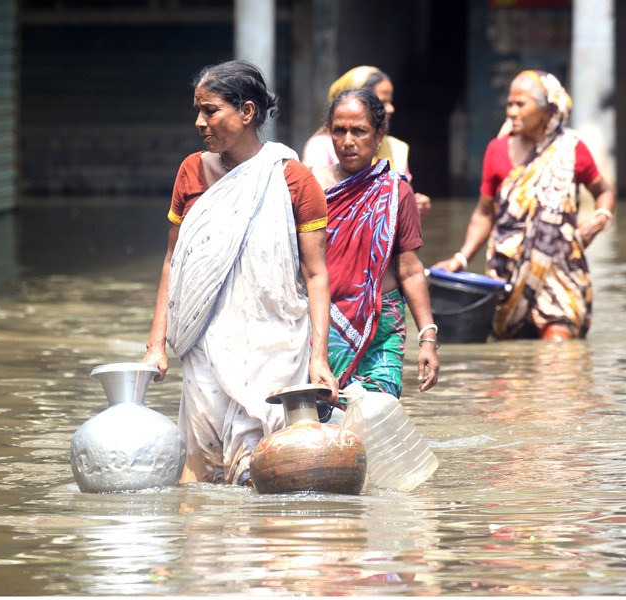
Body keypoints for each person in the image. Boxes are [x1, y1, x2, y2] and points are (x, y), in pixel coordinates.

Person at [141, 60, 338, 486]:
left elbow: (317, 274)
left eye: (210, 111)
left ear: (247, 112)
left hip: (275, 346)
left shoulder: (294, 179)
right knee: (204, 471)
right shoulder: (191, 173)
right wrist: (156, 343)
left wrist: (319, 358)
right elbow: (172, 260)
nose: (199, 122)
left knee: (260, 468)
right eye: (198, 111)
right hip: (205, 347)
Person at [433, 70, 616, 341]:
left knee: (557, 347)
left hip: (560, 272)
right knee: (511, 359)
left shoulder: (570, 149)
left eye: (521, 104)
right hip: (508, 274)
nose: (512, 111)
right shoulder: (496, 150)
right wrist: (462, 257)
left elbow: (603, 191)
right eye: (510, 104)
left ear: (546, 111)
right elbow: (485, 212)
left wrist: (600, 217)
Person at [310, 87, 439, 401]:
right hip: (323, 327)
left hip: (381, 331)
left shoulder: (396, 192)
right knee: (323, 426)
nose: (348, 141)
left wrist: (428, 337)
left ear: (379, 134)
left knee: (376, 415)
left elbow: (409, 270)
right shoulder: (309, 188)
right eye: (339, 131)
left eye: (359, 131)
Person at [302, 66, 432, 219]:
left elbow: (405, 204)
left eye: (360, 131)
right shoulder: (321, 147)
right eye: (383, 102)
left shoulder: (396, 148)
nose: (390, 109)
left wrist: (416, 206)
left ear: (378, 136)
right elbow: (311, 203)